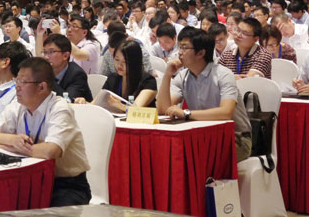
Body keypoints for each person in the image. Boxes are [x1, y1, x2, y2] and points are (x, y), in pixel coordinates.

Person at [0, 57, 91, 207]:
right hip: (26, 180)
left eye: (23, 82)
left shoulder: (59, 108)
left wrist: (10, 147)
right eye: (17, 81)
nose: (17, 87)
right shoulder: (17, 106)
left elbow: (51, 151)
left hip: (65, 184)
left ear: (42, 87)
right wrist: (11, 140)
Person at [156, 27, 252, 162]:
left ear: (201, 53)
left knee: (195, 157)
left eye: (184, 48)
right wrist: (167, 75)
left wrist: (186, 113)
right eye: (179, 47)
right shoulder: (183, 76)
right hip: (202, 136)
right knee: (170, 152)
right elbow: (162, 109)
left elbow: (226, 112)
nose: (179, 53)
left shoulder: (223, 75)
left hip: (235, 138)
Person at [95, 40, 157, 109]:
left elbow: (136, 109)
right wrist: (85, 103)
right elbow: (95, 104)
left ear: (135, 62)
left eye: (125, 61)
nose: (119, 65)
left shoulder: (148, 81)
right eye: (117, 59)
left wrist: (118, 105)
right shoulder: (112, 78)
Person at [41, 33, 92, 102]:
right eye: (45, 52)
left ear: (65, 56)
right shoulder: (43, 72)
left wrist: (47, 78)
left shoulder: (77, 74)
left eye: (51, 52)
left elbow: (67, 100)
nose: (46, 57)